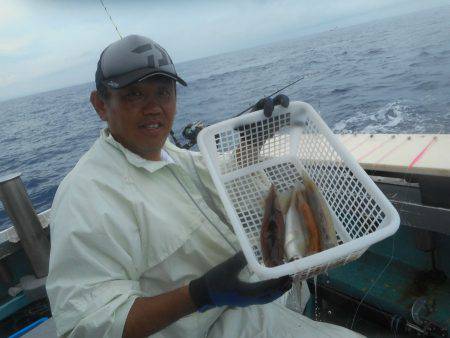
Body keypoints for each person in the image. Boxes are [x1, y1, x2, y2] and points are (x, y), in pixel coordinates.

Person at [46, 34, 363, 338]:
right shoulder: (85, 196)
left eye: (163, 92)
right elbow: (84, 327)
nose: (154, 107)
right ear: (101, 105)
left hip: (249, 300)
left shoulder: (170, 155)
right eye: (134, 95)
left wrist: (251, 143)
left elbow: (221, 183)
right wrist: (200, 294)